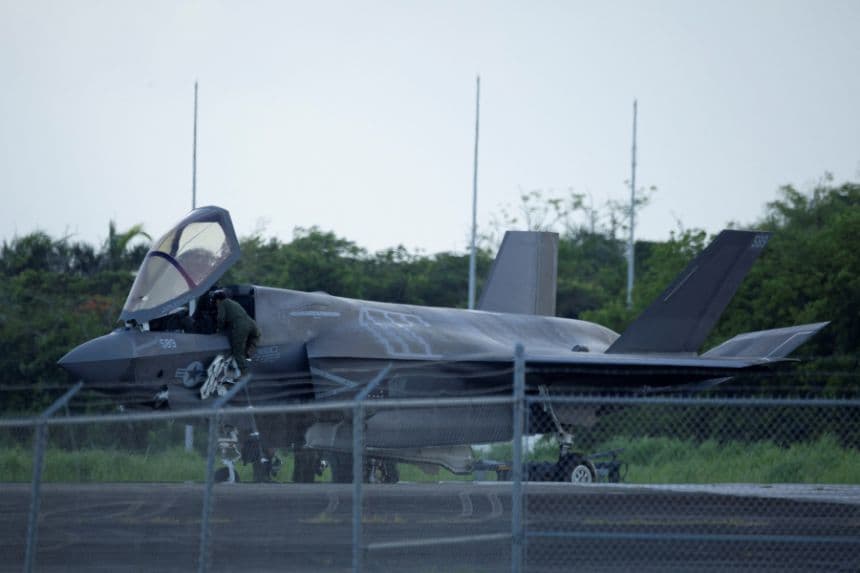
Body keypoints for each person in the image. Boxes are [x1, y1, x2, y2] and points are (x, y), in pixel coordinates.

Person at [212, 289, 261, 373]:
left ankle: (244, 374)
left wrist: (219, 329)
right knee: (253, 340)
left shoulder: (222, 303)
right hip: (251, 323)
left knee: (237, 352)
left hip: (240, 325)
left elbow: (221, 318)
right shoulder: (233, 302)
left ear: (217, 300)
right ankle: (248, 355)